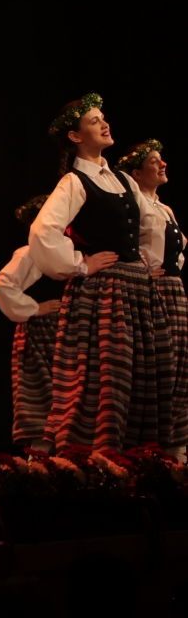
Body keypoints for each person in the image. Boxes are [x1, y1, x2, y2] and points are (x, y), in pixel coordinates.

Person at [29, 95, 169, 451]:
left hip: (137, 287)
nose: (105, 124)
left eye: (103, 118)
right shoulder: (74, 182)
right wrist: (81, 264)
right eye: (94, 121)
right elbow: (44, 230)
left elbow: (150, 223)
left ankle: (140, 457)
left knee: (144, 373)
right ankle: (98, 455)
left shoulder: (123, 179)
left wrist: (147, 262)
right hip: (105, 292)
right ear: (75, 136)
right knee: (108, 376)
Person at [116, 139, 186, 457]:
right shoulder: (136, 205)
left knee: (179, 370)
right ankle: (148, 450)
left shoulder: (164, 208)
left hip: (174, 291)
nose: (163, 164)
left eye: (162, 159)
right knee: (159, 368)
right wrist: (144, 270)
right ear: (136, 173)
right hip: (154, 291)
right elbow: (128, 243)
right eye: (154, 161)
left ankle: (175, 448)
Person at [0, 195, 67, 451]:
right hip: (42, 333)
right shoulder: (30, 254)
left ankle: (72, 463)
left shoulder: (72, 255)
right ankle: (39, 463)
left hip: (70, 332)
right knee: (42, 402)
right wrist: (35, 308)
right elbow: (3, 285)